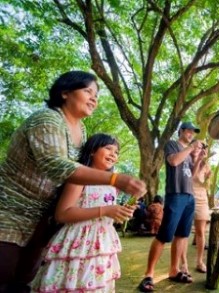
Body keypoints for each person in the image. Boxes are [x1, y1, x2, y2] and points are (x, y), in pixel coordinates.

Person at [0, 71, 146, 293]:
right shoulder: (47, 119)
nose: (94, 99)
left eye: (96, 95)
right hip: (10, 211)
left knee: (23, 281)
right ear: (65, 92)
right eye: (88, 91)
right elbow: (56, 165)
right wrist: (116, 179)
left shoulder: (82, 130)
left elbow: (82, 174)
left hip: (42, 219)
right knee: (4, 274)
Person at [32, 133, 136, 292]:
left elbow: (108, 217)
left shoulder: (113, 185)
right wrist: (106, 210)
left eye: (116, 152)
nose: (113, 154)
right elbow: (62, 214)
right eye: (108, 148)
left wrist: (121, 213)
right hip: (77, 244)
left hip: (102, 246)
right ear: (92, 151)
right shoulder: (79, 177)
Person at [138, 122, 203, 292]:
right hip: (175, 194)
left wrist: (198, 158)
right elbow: (174, 162)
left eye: (193, 132)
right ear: (181, 131)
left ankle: (174, 270)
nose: (191, 134)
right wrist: (191, 148)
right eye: (188, 130)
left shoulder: (188, 153)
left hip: (189, 196)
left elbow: (192, 176)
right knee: (164, 235)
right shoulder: (172, 145)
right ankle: (148, 275)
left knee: (182, 235)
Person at [180, 143, 211, 274]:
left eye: (200, 148)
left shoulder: (207, 166)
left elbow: (207, 185)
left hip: (202, 199)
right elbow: (191, 177)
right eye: (196, 147)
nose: (197, 150)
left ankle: (199, 261)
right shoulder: (184, 160)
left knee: (201, 232)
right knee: (184, 233)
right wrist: (198, 161)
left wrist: (208, 180)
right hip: (186, 197)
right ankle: (183, 264)